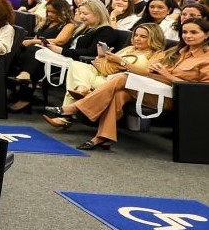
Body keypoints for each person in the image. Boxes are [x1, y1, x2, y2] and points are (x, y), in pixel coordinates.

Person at [43, 17, 209, 150]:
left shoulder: (205, 58)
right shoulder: (175, 52)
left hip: (176, 97)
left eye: (194, 32)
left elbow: (201, 90)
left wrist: (167, 75)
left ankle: (74, 108)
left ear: (206, 35)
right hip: (153, 87)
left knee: (123, 78)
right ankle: (102, 137)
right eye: (185, 32)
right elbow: (150, 74)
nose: (188, 36)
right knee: (119, 93)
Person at [55, 21, 166, 106]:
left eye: (143, 36)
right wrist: (102, 56)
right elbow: (106, 64)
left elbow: (147, 73)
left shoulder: (158, 54)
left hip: (117, 81)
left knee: (76, 80)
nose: (137, 39)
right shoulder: (130, 48)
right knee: (76, 65)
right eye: (136, 35)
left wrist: (121, 61)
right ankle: (82, 90)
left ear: (153, 38)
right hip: (104, 73)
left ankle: (66, 115)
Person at [8, 0, 75, 111]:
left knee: (34, 51)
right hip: (39, 53)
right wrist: (33, 42)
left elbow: (60, 41)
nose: (50, 14)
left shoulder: (68, 25)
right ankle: (20, 86)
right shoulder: (46, 23)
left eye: (53, 12)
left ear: (62, 11)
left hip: (54, 54)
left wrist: (34, 42)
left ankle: (25, 93)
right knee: (20, 51)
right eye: (48, 11)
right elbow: (37, 37)